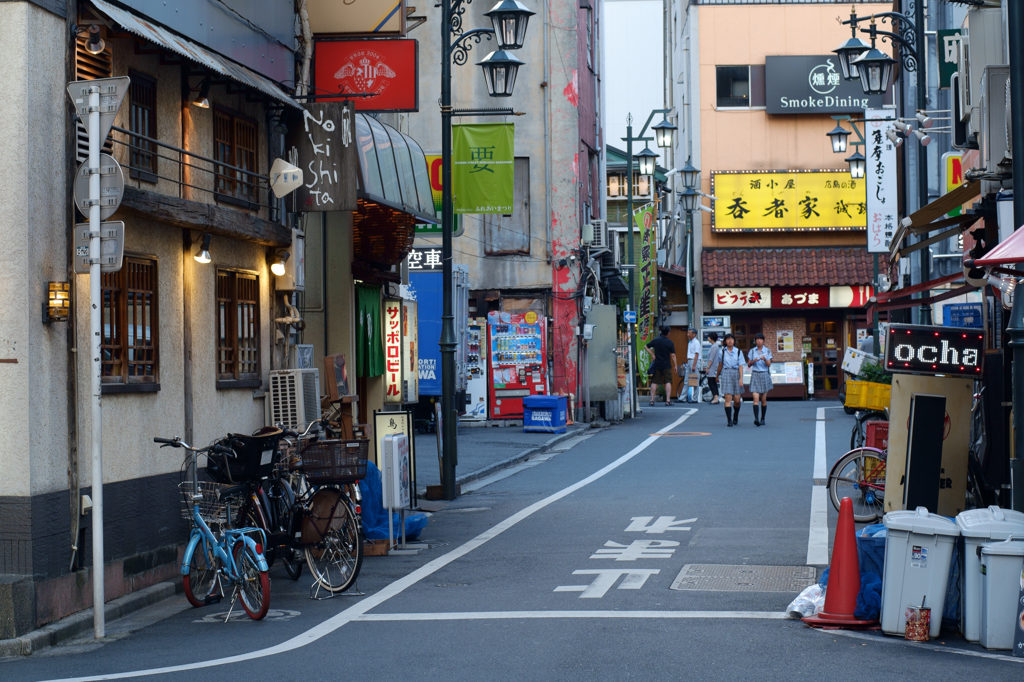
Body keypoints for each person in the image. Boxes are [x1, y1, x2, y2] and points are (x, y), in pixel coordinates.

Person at [716, 333, 744, 426]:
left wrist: (741, 379)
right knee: (728, 398)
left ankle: (735, 415)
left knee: (737, 400)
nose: (730, 340)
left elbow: (741, 366)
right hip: (726, 373)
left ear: (734, 341)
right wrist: (717, 376)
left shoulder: (738, 351)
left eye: (732, 339)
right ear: (725, 341)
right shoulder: (722, 352)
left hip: (736, 373)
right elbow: (720, 365)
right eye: (728, 339)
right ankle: (729, 420)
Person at [644, 326, 677, 406]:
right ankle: (668, 401)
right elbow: (673, 355)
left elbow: (646, 346)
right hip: (666, 364)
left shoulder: (656, 340)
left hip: (657, 364)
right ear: (668, 333)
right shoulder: (670, 342)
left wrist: (652, 354)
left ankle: (652, 400)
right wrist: (675, 365)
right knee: (668, 382)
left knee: (654, 382)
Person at [747, 332, 773, 426]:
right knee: (755, 399)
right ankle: (756, 419)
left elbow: (769, 364)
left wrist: (764, 359)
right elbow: (748, 365)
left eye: (760, 339)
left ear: (763, 340)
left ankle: (763, 418)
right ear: (755, 341)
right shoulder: (752, 351)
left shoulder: (768, 351)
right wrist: (754, 361)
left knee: (763, 399)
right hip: (755, 374)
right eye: (757, 339)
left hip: (764, 374)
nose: (759, 341)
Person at [679, 328, 702, 403]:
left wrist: (694, 365)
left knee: (695, 380)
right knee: (686, 380)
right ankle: (682, 398)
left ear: (694, 334)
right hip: (689, 361)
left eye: (689, 333)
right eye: (688, 333)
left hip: (694, 361)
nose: (687, 334)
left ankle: (695, 398)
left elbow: (696, 354)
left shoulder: (696, 342)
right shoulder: (690, 342)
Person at [705, 332, 722, 405]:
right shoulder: (715, 346)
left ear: (711, 338)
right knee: (713, 382)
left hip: (712, 367)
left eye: (709, 337)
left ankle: (715, 398)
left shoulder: (714, 346)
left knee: (711, 382)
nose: (708, 338)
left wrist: (708, 367)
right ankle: (716, 397)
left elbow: (711, 358)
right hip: (714, 366)